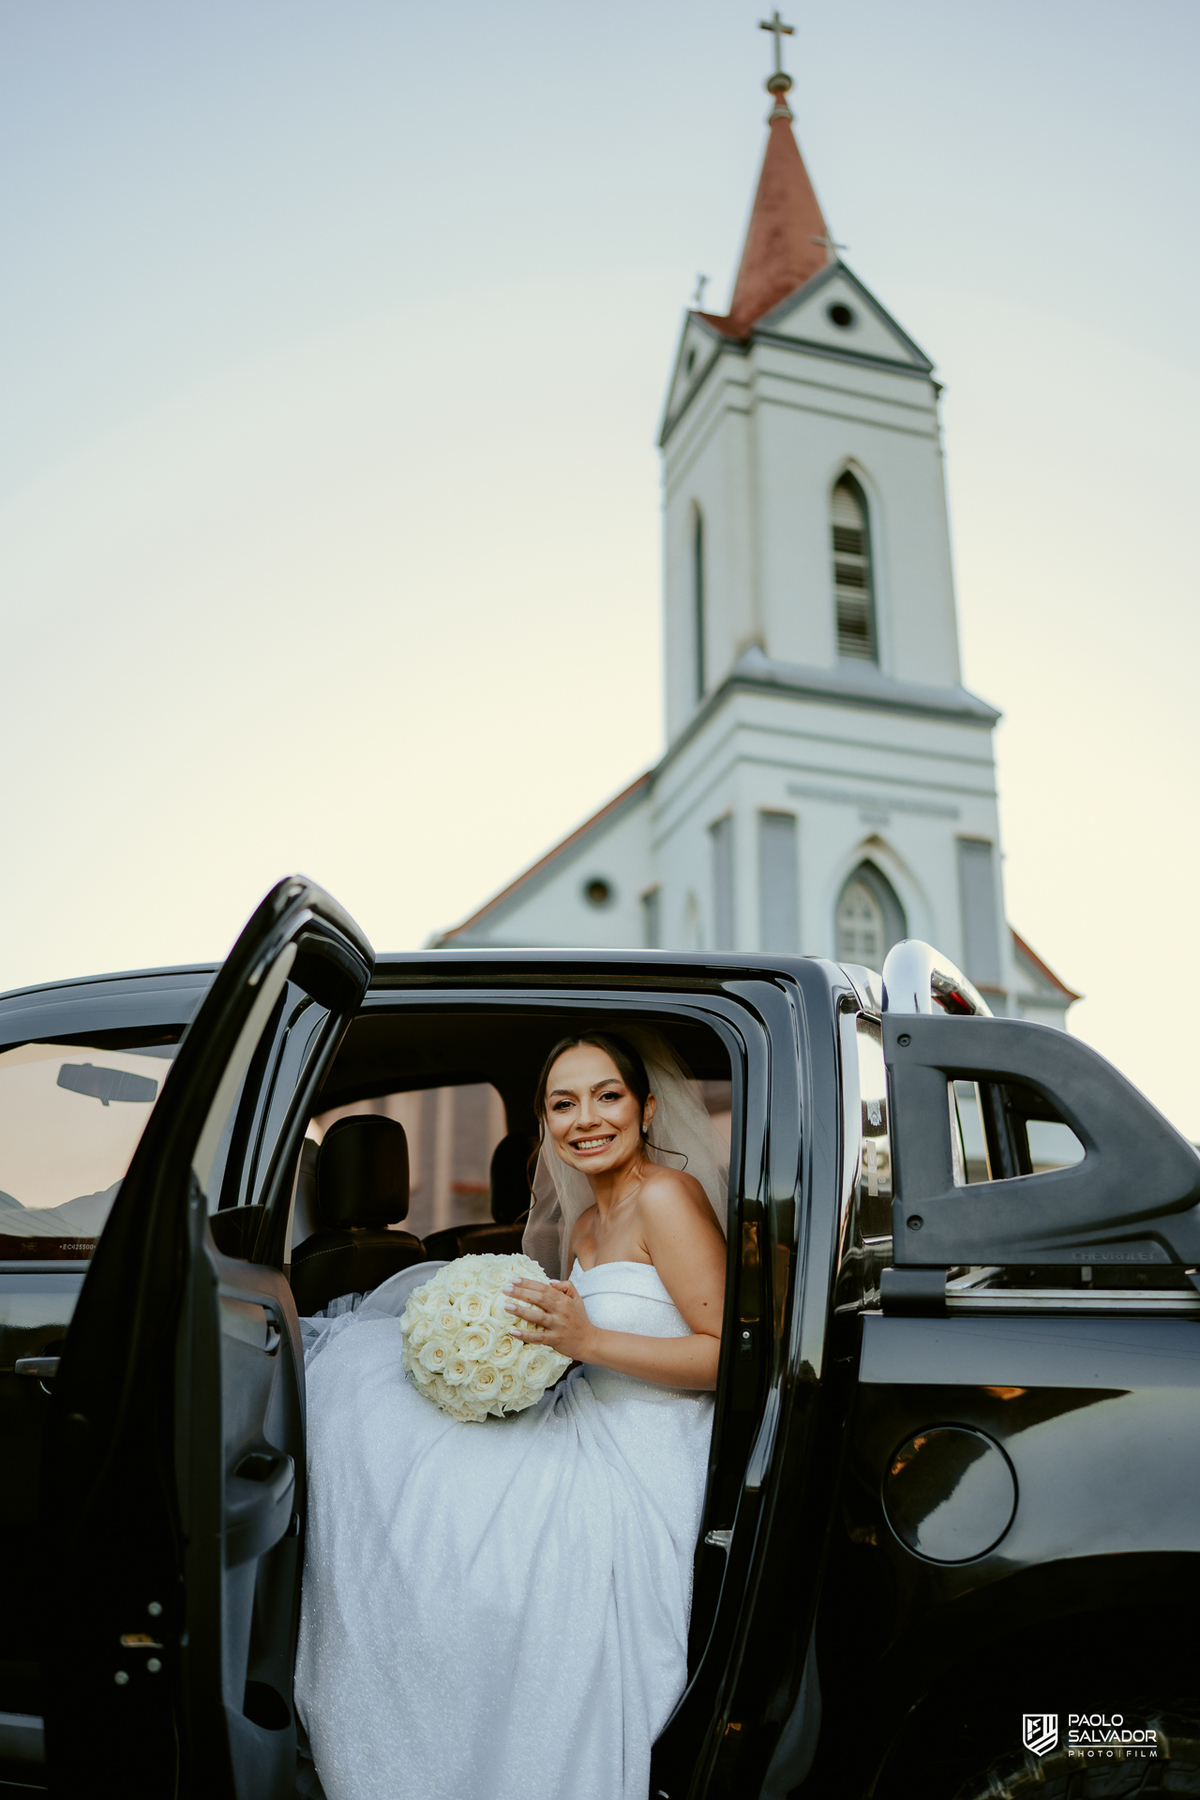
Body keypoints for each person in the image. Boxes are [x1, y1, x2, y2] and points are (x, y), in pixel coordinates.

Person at [295, 1029, 728, 1800]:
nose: (585, 1119)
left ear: (647, 1107)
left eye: (608, 1096)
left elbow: (724, 1356)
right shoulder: (589, 1220)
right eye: (563, 1103)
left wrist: (587, 1338)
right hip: (587, 1411)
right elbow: (581, 1341)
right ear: (544, 1125)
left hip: (648, 1444)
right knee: (370, 1402)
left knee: (472, 1537)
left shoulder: (667, 1196)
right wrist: (540, 1352)